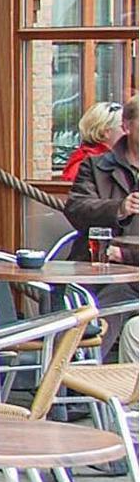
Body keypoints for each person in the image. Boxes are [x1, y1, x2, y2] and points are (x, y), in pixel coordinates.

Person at [65, 95, 136, 356]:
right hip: (95, 267)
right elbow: (76, 209)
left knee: (115, 297)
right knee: (66, 296)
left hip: (131, 272)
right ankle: (68, 367)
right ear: (126, 126)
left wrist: (125, 255)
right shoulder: (96, 166)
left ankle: (78, 369)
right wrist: (119, 208)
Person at [63, 102, 122, 182]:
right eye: (123, 127)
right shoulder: (83, 165)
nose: (129, 132)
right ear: (105, 132)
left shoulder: (123, 158)